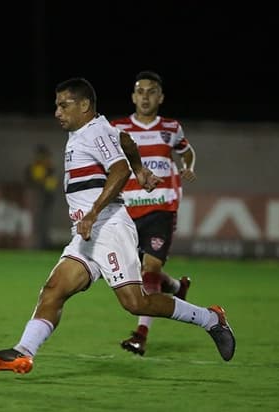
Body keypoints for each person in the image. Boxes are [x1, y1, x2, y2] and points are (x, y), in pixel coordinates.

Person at [0, 78, 235, 374]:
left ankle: (211, 319)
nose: (57, 112)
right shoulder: (94, 129)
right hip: (87, 234)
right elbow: (125, 140)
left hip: (108, 226)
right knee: (54, 289)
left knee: (136, 302)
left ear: (84, 105)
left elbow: (119, 169)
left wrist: (93, 212)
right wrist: (140, 168)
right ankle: (23, 352)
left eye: (64, 105)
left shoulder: (94, 130)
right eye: (56, 106)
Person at [109, 70, 196, 356]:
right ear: (133, 97)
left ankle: (140, 334)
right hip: (127, 210)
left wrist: (189, 166)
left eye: (151, 91)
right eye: (140, 91)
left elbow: (187, 151)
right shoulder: (118, 128)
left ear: (160, 97)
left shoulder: (170, 128)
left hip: (162, 207)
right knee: (136, 271)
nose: (145, 97)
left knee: (149, 270)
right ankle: (175, 286)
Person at [25, 144, 58, 249]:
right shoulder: (35, 167)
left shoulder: (49, 168)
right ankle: (35, 243)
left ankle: (43, 243)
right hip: (36, 197)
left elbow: (51, 184)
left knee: (44, 222)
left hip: (46, 197)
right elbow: (32, 181)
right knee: (36, 222)